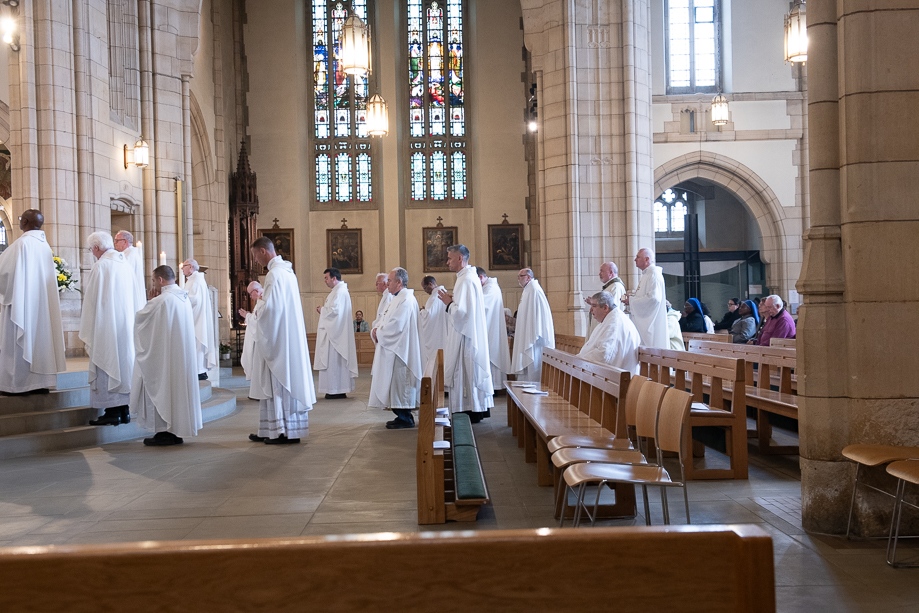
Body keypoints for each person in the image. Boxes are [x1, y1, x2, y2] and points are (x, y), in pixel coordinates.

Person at [247, 237, 315, 443]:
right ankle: (271, 430)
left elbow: (271, 310)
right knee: (281, 381)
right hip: (287, 336)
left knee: (277, 383)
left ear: (263, 251)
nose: (255, 260)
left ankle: (282, 431)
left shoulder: (274, 274)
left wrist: (258, 311)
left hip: (278, 339)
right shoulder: (287, 273)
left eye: (255, 255)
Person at [131, 265, 203, 446]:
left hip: (165, 357)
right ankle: (176, 430)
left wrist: (150, 301)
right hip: (180, 356)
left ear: (161, 280)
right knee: (176, 390)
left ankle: (164, 431)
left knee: (164, 388)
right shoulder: (183, 297)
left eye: (154, 280)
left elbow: (140, 321)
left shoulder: (161, 301)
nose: (154, 284)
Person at [0, 209, 66, 395]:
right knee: (40, 339)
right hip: (40, 306)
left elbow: (3, 273)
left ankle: (18, 385)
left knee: (19, 342)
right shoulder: (44, 246)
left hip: (22, 304)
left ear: (24, 222)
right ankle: (40, 383)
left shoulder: (22, 244)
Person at [80, 231, 139, 426]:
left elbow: (92, 300)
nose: (92, 253)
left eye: (92, 249)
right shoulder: (125, 264)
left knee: (107, 361)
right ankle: (123, 410)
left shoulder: (101, 266)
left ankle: (112, 412)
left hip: (106, 325)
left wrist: (89, 323)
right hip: (125, 324)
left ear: (97, 248)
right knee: (123, 364)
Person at [437, 244, 494, 422]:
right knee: (468, 372)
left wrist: (448, 303)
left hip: (466, 337)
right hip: (468, 333)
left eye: (450, 258)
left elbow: (462, 313)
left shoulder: (465, 280)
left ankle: (469, 410)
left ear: (460, 258)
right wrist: (453, 300)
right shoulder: (468, 277)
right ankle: (475, 408)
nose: (447, 262)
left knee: (464, 371)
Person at [369, 267, 422, 429]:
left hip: (401, 350)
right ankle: (401, 415)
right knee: (396, 384)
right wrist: (376, 329)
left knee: (401, 384)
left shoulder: (406, 299)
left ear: (399, 282)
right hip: (395, 348)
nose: (387, 284)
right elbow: (384, 319)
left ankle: (405, 418)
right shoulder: (397, 298)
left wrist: (379, 332)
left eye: (390, 281)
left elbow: (397, 325)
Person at [315, 267, 358, 399]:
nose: (325, 281)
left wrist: (322, 310)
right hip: (334, 332)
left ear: (334, 278)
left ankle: (336, 389)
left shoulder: (340, 291)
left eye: (326, 278)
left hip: (336, 335)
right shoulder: (337, 291)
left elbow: (335, 312)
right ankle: (335, 389)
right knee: (333, 363)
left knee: (335, 362)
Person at [578, 291, 641, 373]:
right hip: (608, 374)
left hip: (617, 377)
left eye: (594, 306)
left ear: (605, 308)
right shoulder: (610, 319)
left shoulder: (614, 323)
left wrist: (578, 361)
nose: (591, 310)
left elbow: (604, 355)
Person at [510, 268, 555, 382]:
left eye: (520, 276)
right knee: (527, 368)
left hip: (534, 338)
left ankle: (532, 389)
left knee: (533, 364)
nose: (518, 279)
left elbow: (537, 317)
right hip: (527, 334)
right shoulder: (528, 290)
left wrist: (531, 333)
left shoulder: (534, 290)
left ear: (528, 277)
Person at [622, 248, 668, 349]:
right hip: (646, 324)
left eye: (638, 257)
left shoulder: (653, 275)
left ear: (647, 259)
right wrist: (632, 299)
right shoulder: (647, 274)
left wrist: (631, 301)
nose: (635, 259)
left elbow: (654, 299)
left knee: (651, 350)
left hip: (651, 325)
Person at [182, 259, 218, 380]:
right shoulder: (194, 279)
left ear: (191, 267)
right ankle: (198, 370)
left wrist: (179, 296)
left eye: (184, 266)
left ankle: (199, 371)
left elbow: (194, 299)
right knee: (197, 344)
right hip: (197, 317)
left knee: (197, 342)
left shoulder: (196, 280)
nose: (182, 268)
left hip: (196, 319)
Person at [477, 266, 511, 393]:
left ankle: (494, 386)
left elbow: (482, 305)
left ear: (481, 277)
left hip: (492, 330)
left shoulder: (490, 288)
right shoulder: (488, 287)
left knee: (491, 356)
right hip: (490, 327)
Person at [587, 261, 627, 334]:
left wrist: (596, 304)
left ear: (611, 272)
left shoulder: (616, 287)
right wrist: (594, 303)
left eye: (602, 271)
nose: (599, 274)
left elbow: (613, 308)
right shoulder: (611, 286)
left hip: (608, 328)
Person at [418, 275, 447, 370]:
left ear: (430, 284)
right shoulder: (443, 292)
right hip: (442, 329)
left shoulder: (435, 296)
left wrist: (421, 312)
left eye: (425, 288)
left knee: (434, 358)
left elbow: (428, 316)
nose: (425, 291)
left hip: (436, 333)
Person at [238, 281, 264, 379]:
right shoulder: (260, 301)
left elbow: (258, 322)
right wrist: (249, 316)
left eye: (250, 294)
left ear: (256, 291)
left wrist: (247, 315)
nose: (250, 297)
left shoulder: (263, 300)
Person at [114, 230, 146, 310]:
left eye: (117, 240)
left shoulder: (129, 255)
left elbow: (124, 275)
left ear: (125, 242)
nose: (114, 243)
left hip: (130, 293)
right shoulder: (129, 253)